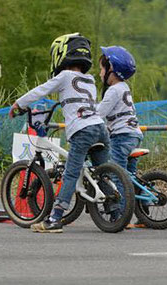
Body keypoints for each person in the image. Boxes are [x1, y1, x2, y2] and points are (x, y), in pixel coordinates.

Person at [9, 33, 110, 233]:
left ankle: (55, 218)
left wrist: (19, 103)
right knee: (103, 173)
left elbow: (40, 91)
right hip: (100, 128)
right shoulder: (89, 79)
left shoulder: (63, 76)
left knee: (71, 173)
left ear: (61, 55)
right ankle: (116, 212)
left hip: (82, 130)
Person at [96, 46, 143, 176]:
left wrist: (85, 110)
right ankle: (137, 194)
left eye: (101, 69)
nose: (100, 73)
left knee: (117, 175)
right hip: (134, 134)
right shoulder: (124, 87)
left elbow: (99, 112)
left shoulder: (113, 90)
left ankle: (123, 197)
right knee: (129, 175)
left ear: (110, 69)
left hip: (122, 136)